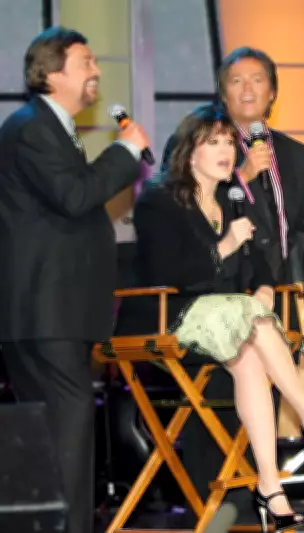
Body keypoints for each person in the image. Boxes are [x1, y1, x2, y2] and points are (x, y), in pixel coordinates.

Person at [126, 107, 304, 532]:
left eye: (229, 142)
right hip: (169, 317)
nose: (226, 151)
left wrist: (266, 287)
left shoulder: (232, 199)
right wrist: (223, 248)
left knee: (250, 358)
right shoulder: (158, 200)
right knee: (251, 319)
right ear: (188, 153)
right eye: (213, 142)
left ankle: (270, 487)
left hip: (229, 323)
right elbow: (167, 274)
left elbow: (260, 265)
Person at [158, 48, 304, 530]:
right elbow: (181, 209)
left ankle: (258, 494)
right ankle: (215, 503)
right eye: (236, 80)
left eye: (257, 80)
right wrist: (242, 176)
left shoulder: (295, 154)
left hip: (274, 293)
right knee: (216, 396)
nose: (247, 89)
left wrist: (303, 286)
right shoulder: (193, 141)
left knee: (263, 396)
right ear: (222, 91)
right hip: (210, 297)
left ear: (273, 93)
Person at [0, 27, 150, 533]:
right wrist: (124, 152)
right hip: (47, 312)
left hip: (46, 312)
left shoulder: (44, 127)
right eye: (86, 62)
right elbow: (75, 196)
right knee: (65, 431)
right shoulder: (32, 128)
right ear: (52, 73)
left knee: (47, 436)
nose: (97, 72)